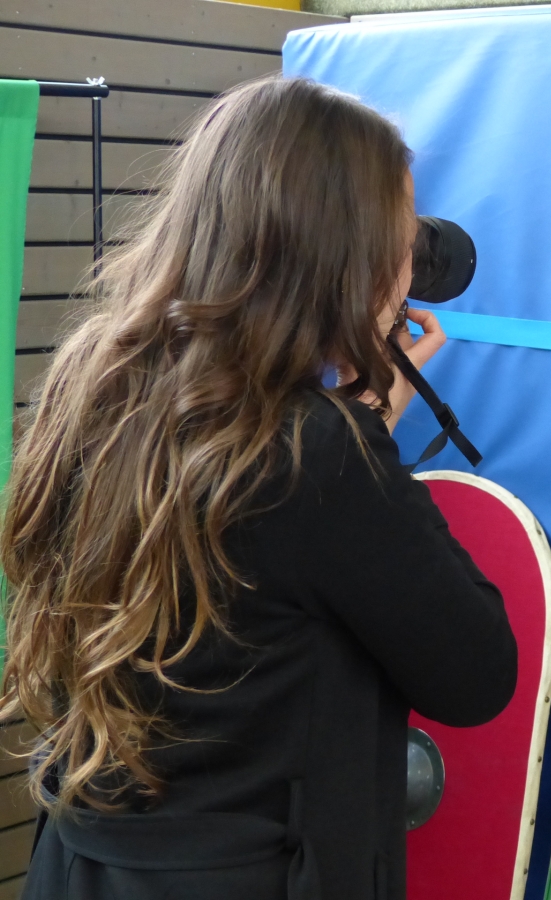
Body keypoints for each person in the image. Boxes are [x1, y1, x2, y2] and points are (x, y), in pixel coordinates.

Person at [0, 76, 518, 899]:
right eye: (396, 231)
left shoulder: (92, 386)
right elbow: (478, 674)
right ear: (339, 248)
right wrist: (363, 435)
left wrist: (354, 430)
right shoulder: (319, 451)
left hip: (85, 865)